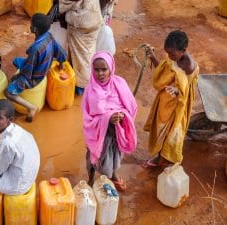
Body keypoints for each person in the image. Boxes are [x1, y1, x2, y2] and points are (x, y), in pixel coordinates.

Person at [82, 51, 138, 191]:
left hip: (116, 132)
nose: (100, 73)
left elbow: (131, 107)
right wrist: (107, 118)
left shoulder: (120, 84)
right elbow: (88, 118)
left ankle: (112, 175)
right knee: (93, 157)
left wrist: (122, 115)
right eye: (96, 69)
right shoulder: (91, 89)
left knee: (113, 156)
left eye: (104, 69)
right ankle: (90, 179)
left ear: (111, 68)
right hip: (97, 133)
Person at [143, 30, 199, 168]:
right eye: (167, 53)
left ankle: (166, 159)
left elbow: (184, 90)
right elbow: (164, 74)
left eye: (171, 54)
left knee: (172, 132)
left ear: (183, 50)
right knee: (161, 130)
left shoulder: (188, 67)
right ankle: (161, 156)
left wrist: (177, 90)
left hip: (178, 106)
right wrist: (152, 57)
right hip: (166, 102)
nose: (169, 56)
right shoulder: (174, 57)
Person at [5, 13, 66, 122]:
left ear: (34, 29)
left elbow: (28, 71)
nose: (30, 26)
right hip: (43, 68)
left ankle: (31, 107)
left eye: (31, 24)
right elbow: (60, 51)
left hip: (35, 77)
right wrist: (61, 64)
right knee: (16, 61)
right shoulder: (49, 36)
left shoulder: (35, 49)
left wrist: (18, 77)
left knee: (8, 92)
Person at [59, 0, 103, 95]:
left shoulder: (89, 6)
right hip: (88, 27)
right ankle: (79, 81)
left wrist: (67, 14)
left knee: (82, 59)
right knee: (84, 56)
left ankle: (81, 86)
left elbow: (81, 20)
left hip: (84, 28)